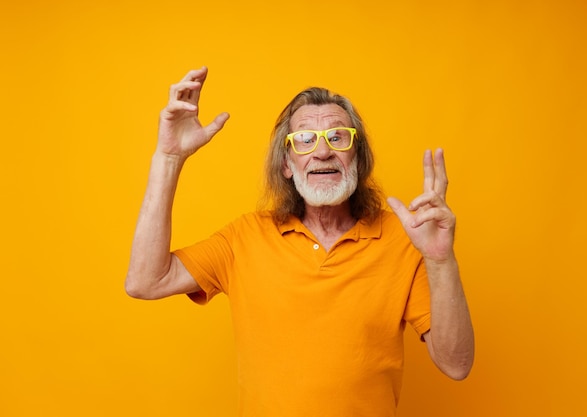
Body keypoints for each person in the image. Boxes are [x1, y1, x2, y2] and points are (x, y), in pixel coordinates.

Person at [126, 67, 474, 417]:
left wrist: (441, 260)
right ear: (287, 164)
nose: (323, 152)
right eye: (305, 140)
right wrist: (168, 159)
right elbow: (145, 281)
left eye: (339, 137)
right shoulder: (245, 238)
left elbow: (456, 364)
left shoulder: (403, 240)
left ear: (359, 157)